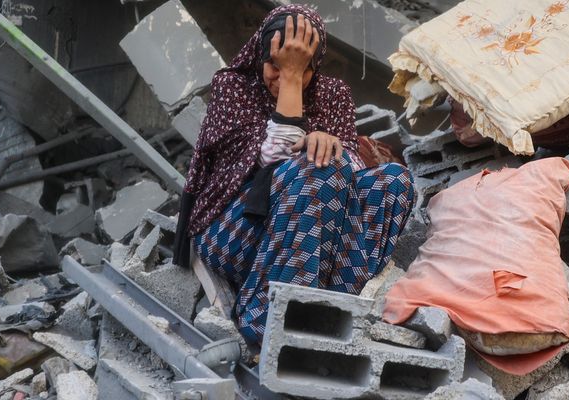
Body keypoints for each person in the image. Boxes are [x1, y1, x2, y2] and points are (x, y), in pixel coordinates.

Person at [174, 5, 415, 344]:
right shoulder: (233, 87)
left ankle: (334, 308)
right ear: (261, 56)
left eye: (302, 70)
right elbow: (269, 161)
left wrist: (330, 144)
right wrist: (291, 81)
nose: (283, 76)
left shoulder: (333, 94)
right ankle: (267, 319)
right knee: (317, 168)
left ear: (316, 67)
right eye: (275, 65)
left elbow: (353, 172)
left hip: (314, 241)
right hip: (234, 233)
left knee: (393, 181)